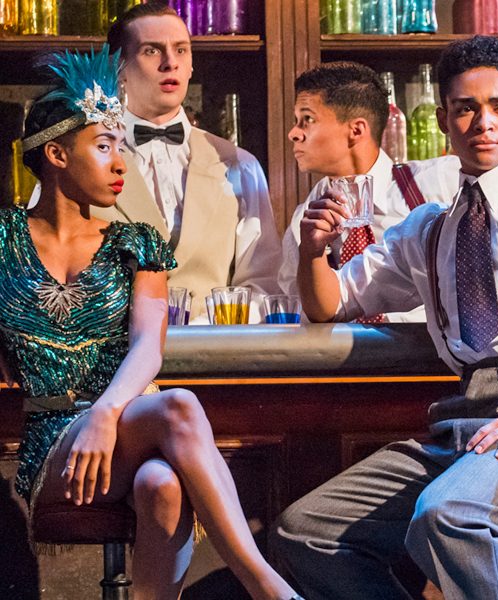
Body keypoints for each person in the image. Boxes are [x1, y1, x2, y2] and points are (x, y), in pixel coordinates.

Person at [271, 35, 498, 599]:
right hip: (463, 426)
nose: (483, 122)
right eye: (466, 108)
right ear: (443, 119)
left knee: (449, 513)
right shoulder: (428, 226)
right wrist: (315, 249)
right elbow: (330, 303)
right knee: (306, 530)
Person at [8, 48, 300, 600]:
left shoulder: (134, 242)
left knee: (162, 481)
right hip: (50, 443)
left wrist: (104, 414)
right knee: (180, 405)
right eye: (103, 147)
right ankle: (270, 589)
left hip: (121, 425)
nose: (121, 163)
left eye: (122, 147)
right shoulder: (3, 240)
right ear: (56, 154)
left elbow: (148, 347)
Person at [96, 1, 282, 322]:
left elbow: (264, 282)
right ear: (118, 67)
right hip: (114, 362)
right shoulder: (82, 163)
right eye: (152, 51)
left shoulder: (239, 165)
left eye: (181, 50)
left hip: (216, 360)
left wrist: (205, 329)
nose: (170, 63)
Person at [278, 60, 460, 322]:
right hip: (338, 362)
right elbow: (297, 317)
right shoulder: (303, 222)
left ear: (356, 130)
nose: (293, 134)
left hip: (432, 360)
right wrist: (312, 253)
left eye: (307, 120)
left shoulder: (438, 182)